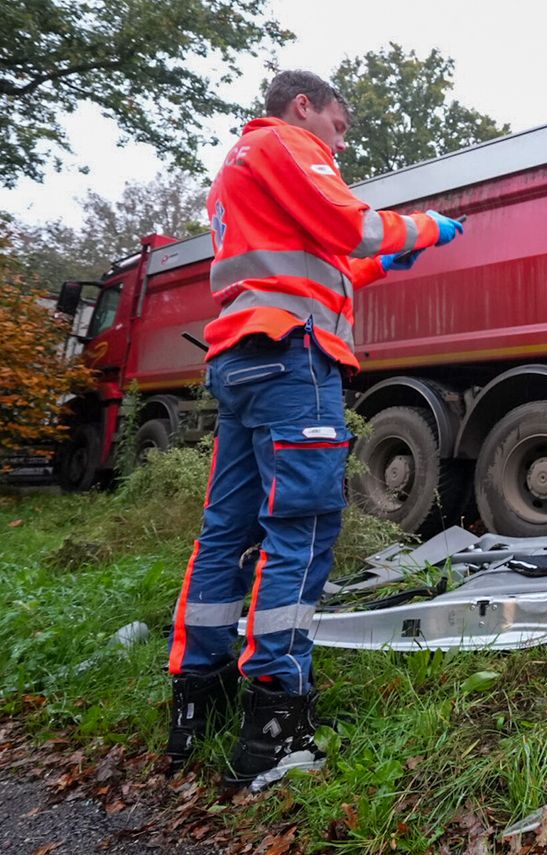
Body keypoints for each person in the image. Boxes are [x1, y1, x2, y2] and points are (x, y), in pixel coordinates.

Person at [164, 70, 464, 790]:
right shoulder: (286, 145)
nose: (343, 132)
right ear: (304, 105)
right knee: (302, 525)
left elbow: (321, 263)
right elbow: (351, 223)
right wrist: (423, 227)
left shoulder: (242, 166)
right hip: (292, 358)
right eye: (340, 118)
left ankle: (194, 703)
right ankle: (275, 725)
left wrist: (381, 262)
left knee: (228, 531)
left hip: (244, 358)